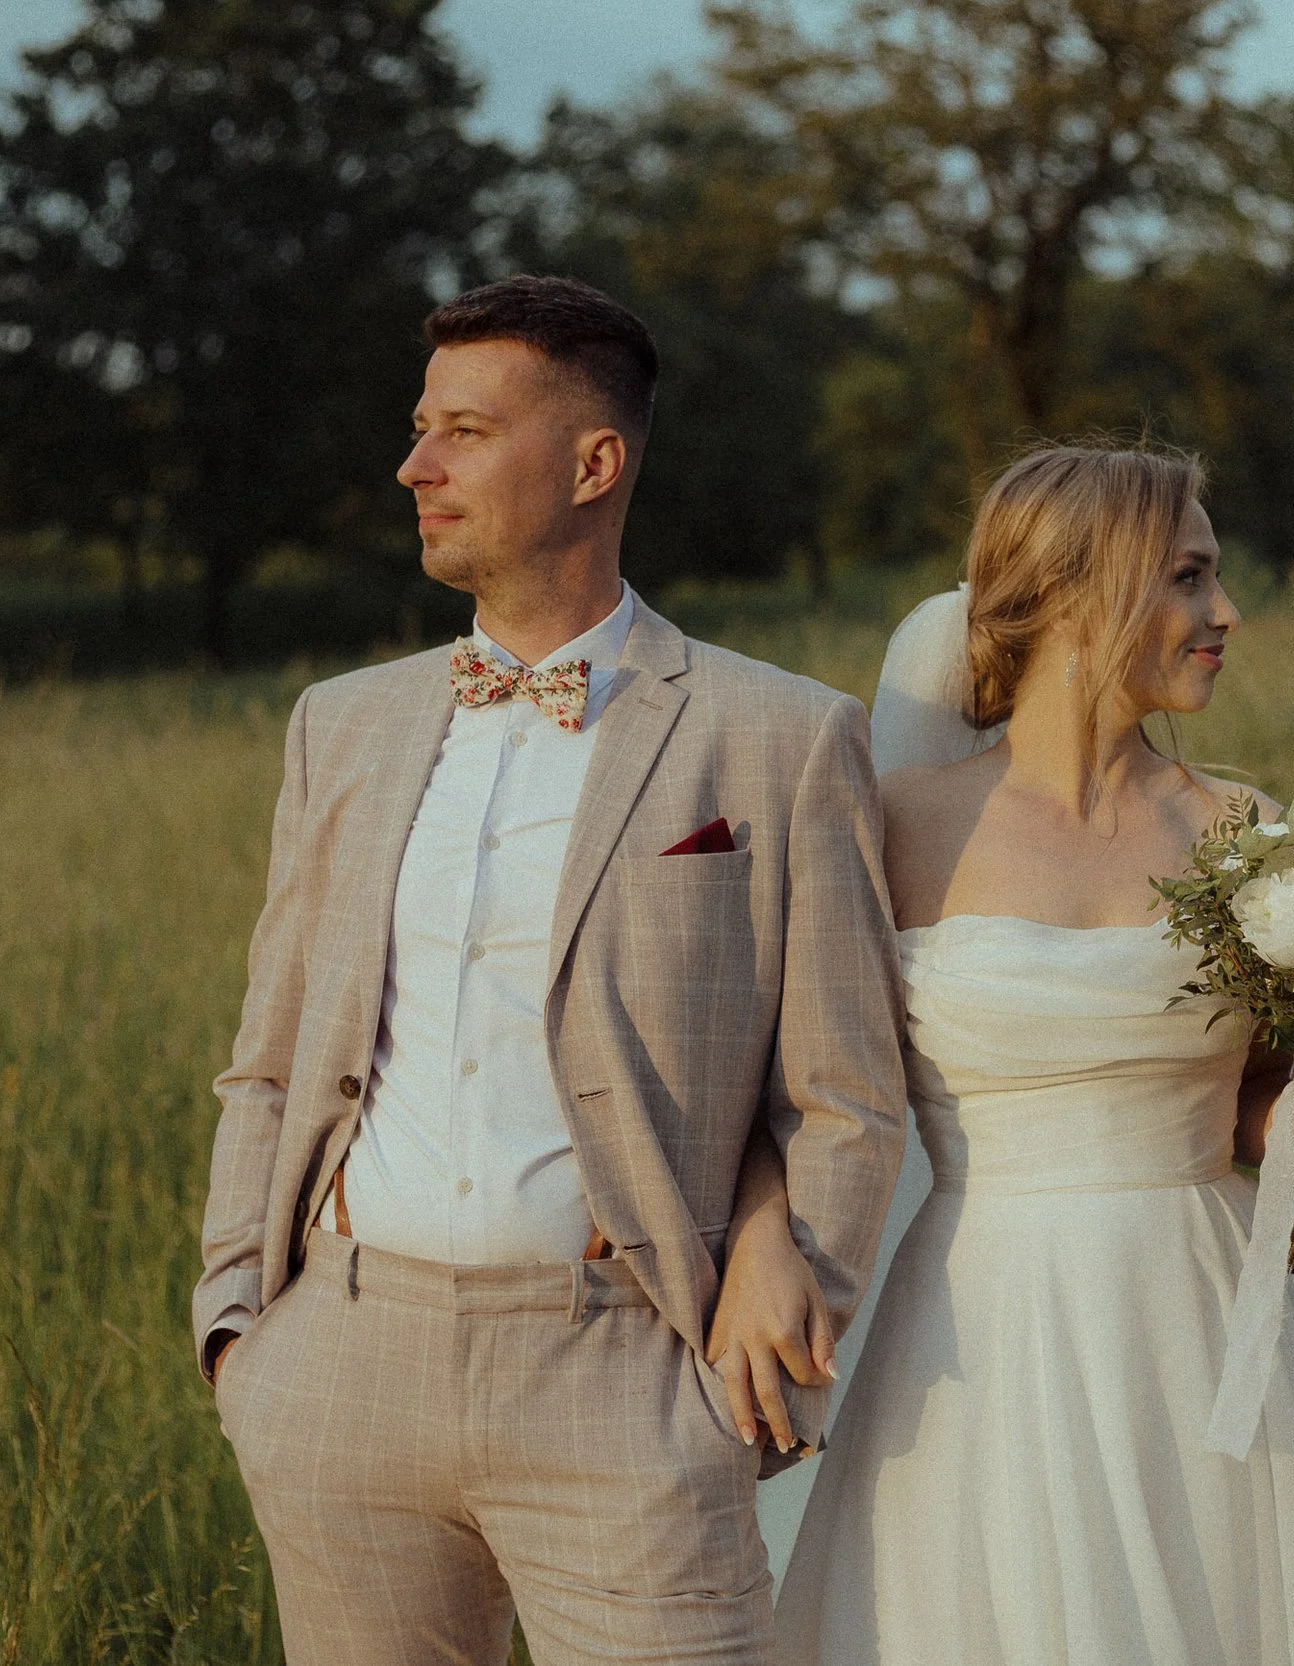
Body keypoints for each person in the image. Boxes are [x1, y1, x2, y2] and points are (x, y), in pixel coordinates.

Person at [191, 275, 907, 1666]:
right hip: (339, 1369)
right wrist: (240, 1332)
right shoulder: (339, 725)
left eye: (463, 429)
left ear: (594, 463)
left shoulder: (782, 736)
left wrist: (748, 1364)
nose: (415, 464)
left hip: (627, 1383)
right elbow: (270, 1054)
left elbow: (847, 1092)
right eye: (418, 427)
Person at [759, 443, 1294, 1664]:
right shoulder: (892, 823)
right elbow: (794, 1082)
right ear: (1068, 594)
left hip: (1197, 1315)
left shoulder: (1246, 831)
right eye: (1185, 577)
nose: (1224, 613)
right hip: (977, 1327)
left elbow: (1255, 1107)